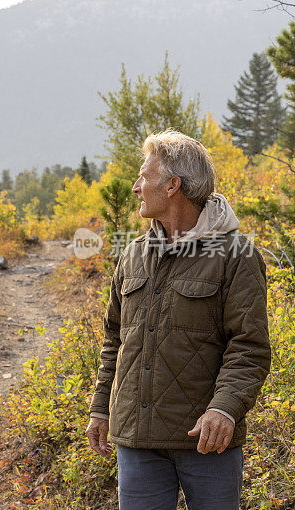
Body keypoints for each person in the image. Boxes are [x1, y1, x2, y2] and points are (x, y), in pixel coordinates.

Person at [85, 129, 271, 509]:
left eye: (144, 176)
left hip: (206, 441)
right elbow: (113, 341)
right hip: (137, 441)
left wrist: (224, 409)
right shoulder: (133, 255)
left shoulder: (236, 256)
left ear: (173, 185)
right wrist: (101, 406)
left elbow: (249, 348)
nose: (136, 187)